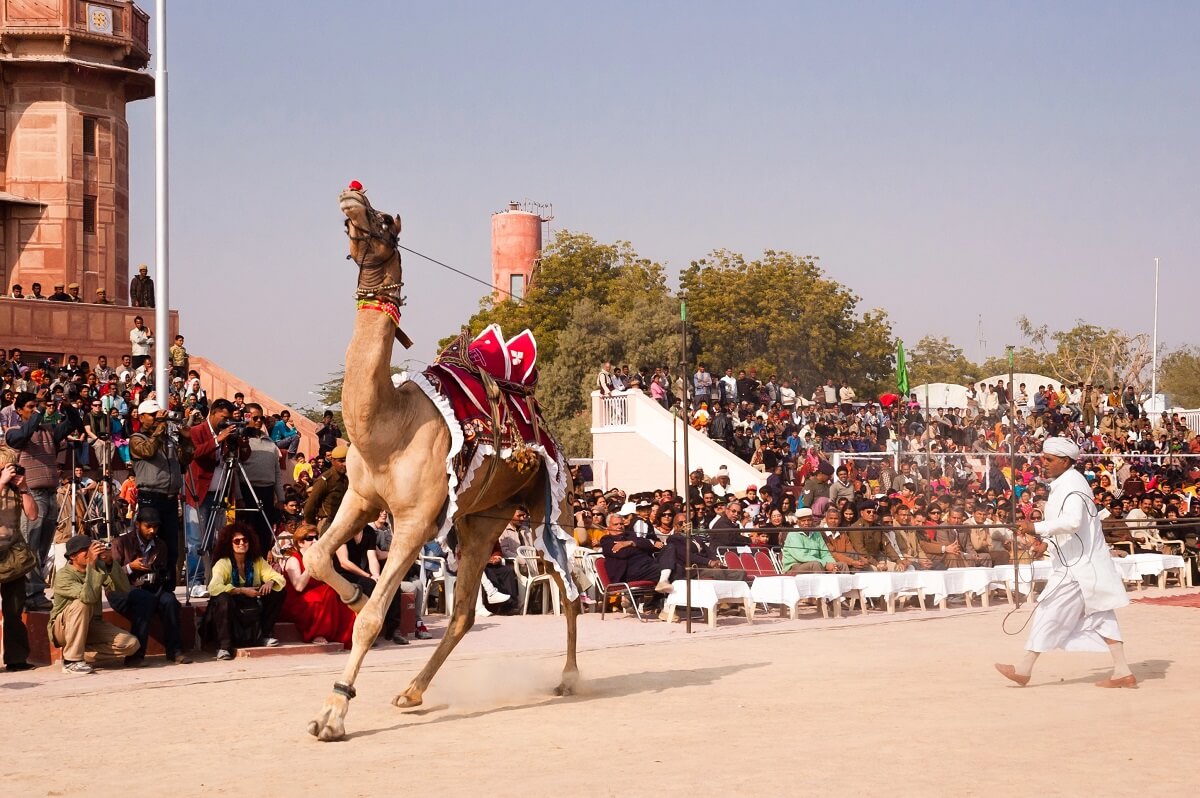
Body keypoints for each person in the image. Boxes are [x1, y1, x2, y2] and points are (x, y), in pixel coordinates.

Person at [995, 437, 1135, 689]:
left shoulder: (1072, 485)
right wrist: (1047, 543)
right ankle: (1123, 671)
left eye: (1049, 460)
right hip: (1081, 563)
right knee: (1103, 617)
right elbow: (1071, 532)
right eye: (1043, 458)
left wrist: (1034, 527)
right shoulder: (1067, 483)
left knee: (1049, 611)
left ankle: (1024, 669)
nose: (1043, 464)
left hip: (1077, 568)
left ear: (1066, 461)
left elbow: (1072, 522)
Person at [2, 390, 83, 609]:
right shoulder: (13, 432)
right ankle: (31, 594)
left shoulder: (49, 431)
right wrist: (39, 408)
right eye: (30, 407)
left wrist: (66, 406)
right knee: (30, 544)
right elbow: (24, 435)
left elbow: (74, 423)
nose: (35, 410)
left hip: (50, 493)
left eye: (35, 406)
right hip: (31, 495)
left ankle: (34, 593)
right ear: (19, 411)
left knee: (43, 546)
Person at [107, 507, 189, 664]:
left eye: (155, 527)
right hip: (122, 592)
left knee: (170, 601)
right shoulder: (120, 542)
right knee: (143, 599)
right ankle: (135, 656)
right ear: (137, 524)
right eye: (148, 526)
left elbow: (163, 572)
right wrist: (131, 567)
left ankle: (175, 651)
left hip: (150, 589)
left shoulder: (160, 545)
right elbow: (110, 575)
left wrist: (157, 574)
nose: (152, 530)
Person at [49, 535, 140, 673]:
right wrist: (92, 565)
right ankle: (72, 661)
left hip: (91, 624)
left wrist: (110, 562)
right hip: (63, 628)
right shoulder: (64, 575)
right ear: (73, 556)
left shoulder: (98, 567)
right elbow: (87, 598)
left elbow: (123, 588)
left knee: (131, 644)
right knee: (82, 604)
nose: (91, 553)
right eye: (86, 550)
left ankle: (81, 654)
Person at [204, 522, 285, 660]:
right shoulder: (223, 563)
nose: (241, 543)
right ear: (229, 544)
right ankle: (224, 647)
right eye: (237, 541)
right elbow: (213, 588)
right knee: (222, 599)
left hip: (250, 604)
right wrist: (241, 590)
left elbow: (279, 579)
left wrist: (270, 582)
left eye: (245, 540)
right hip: (230, 605)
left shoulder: (257, 561)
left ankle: (265, 636)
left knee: (278, 591)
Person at [128, 399, 186, 588]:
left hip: (170, 497)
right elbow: (147, 451)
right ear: (141, 416)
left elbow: (187, 459)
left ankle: (167, 587)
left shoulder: (167, 438)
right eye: (152, 416)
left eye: (158, 415)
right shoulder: (137, 438)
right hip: (150, 496)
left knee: (170, 544)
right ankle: (145, 584)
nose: (156, 418)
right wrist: (160, 427)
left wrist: (186, 438)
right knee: (149, 542)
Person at [280, 523, 355, 649]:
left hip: (319, 596)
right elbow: (298, 587)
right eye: (309, 539)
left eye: (316, 538)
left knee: (339, 598)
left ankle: (352, 636)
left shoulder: (322, 558)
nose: (314, 541)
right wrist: (311, 566)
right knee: (327, 593)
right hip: (298, 602)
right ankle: (318, 634)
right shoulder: (294, 560)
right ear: (300, 543)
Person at [0, 446, 40, 671]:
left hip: (12, 553)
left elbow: (33, 515)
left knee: (14, 610)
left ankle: (16, 658)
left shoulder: (17, 487)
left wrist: (24, 489)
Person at [238, 403, 284, 554]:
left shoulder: (270, 442)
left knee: (264, 535)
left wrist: (281, 498)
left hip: (267, 492)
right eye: (254, 417)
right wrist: (239, 497)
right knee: (247, 536)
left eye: (261, 418)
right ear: (246, 417)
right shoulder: (240, 441)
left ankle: (261, 569)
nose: (258, 421)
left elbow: (277, 471)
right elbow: (235, 472)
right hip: (247, 491)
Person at [599, 512, 676, 594]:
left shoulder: (630, 536)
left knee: (670, 547)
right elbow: (623, 553)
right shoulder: (607, 540)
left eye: (621, 524)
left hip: (649, 565)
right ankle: (668, 599)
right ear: (608, 527)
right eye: (616, 524)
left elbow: (648, 544)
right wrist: (639, 547)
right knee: (677, 571)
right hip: (631, 571)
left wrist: (631, 543)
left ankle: (662, 586)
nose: (619, 526)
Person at [304, 444, 348, 534]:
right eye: (341, 461)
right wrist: (312, 526)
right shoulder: (325, 480)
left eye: (347, 461)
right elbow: (309, 507)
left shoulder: (347, 478)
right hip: (327, 523)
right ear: (332, 461)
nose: (345, 464)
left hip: (343, 522)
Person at [780, 508, 841, 573]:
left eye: (809, 520)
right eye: (803, 521)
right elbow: (802, 557)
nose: (806, 523)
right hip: (794, 567)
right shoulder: (793, 535)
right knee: (815, 565)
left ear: (812, 520)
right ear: (798, 522)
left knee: (841, 565)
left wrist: (833, 565)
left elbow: (825, 553)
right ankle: (822, 583)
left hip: (817, 563)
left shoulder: (816, 533)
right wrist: (825, 564)